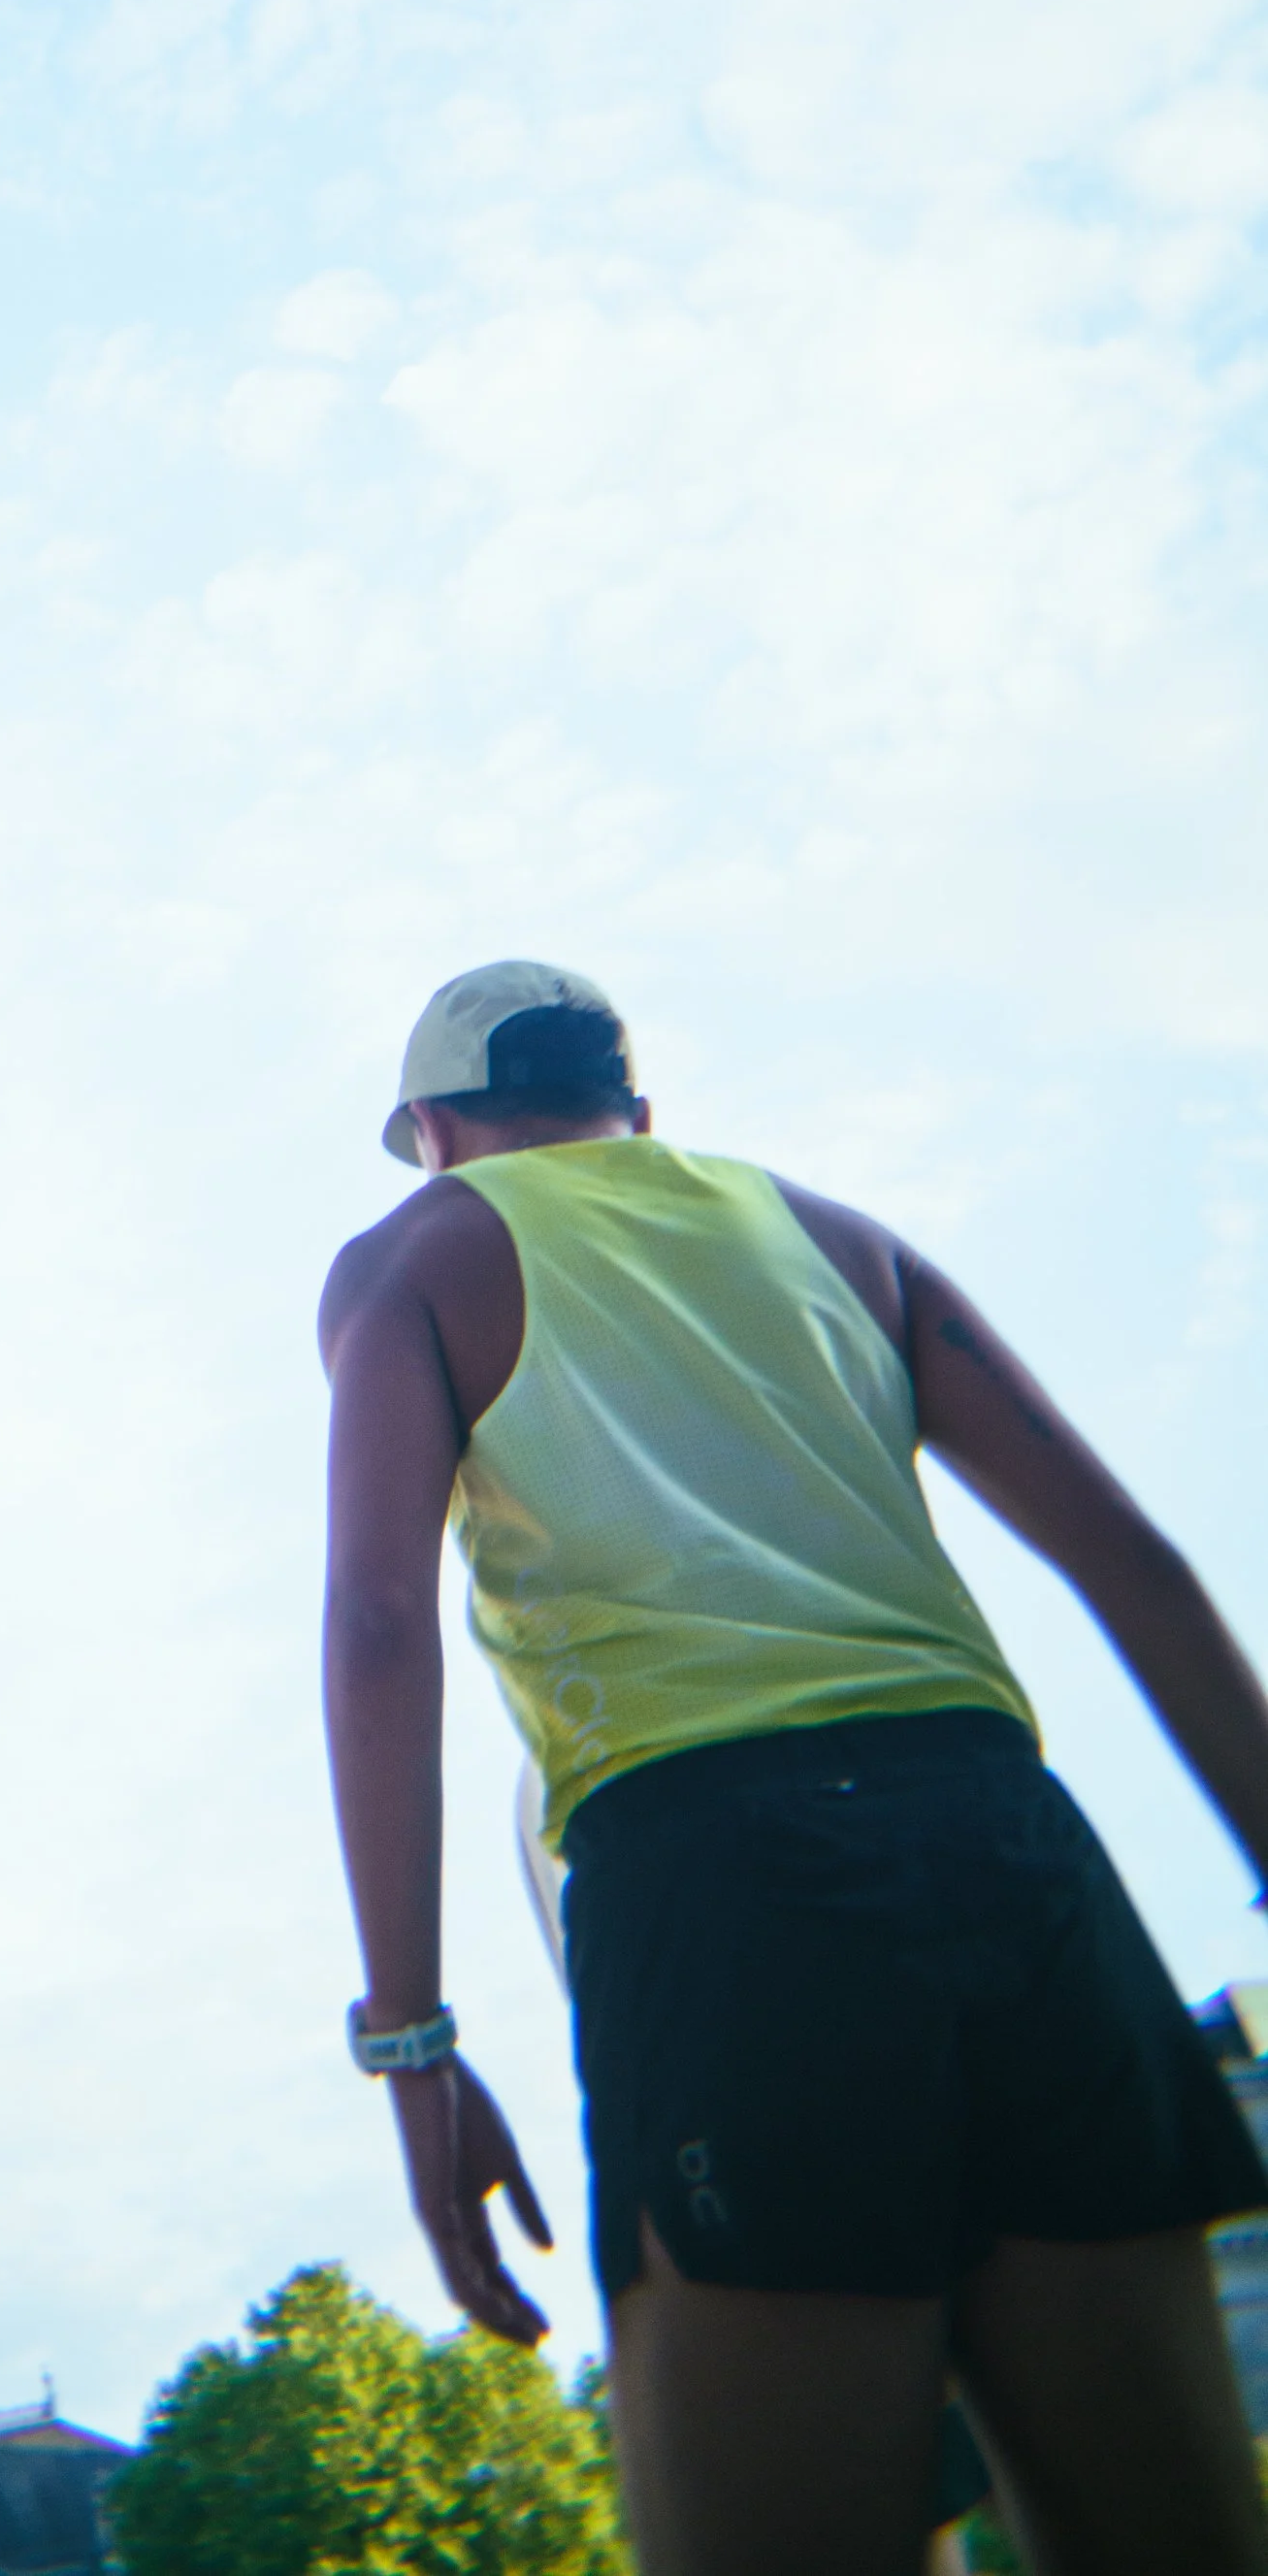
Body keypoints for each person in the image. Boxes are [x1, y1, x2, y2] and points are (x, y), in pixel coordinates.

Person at [319, 960, 1268, 2576]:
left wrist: (412, 2045)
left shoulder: (418, 1253)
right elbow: (1141, 1567)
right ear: (637, 1113)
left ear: (435, 1126)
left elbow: (379, 1632)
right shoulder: (844, 1240)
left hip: (725, 1889)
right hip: (1018, 1861)